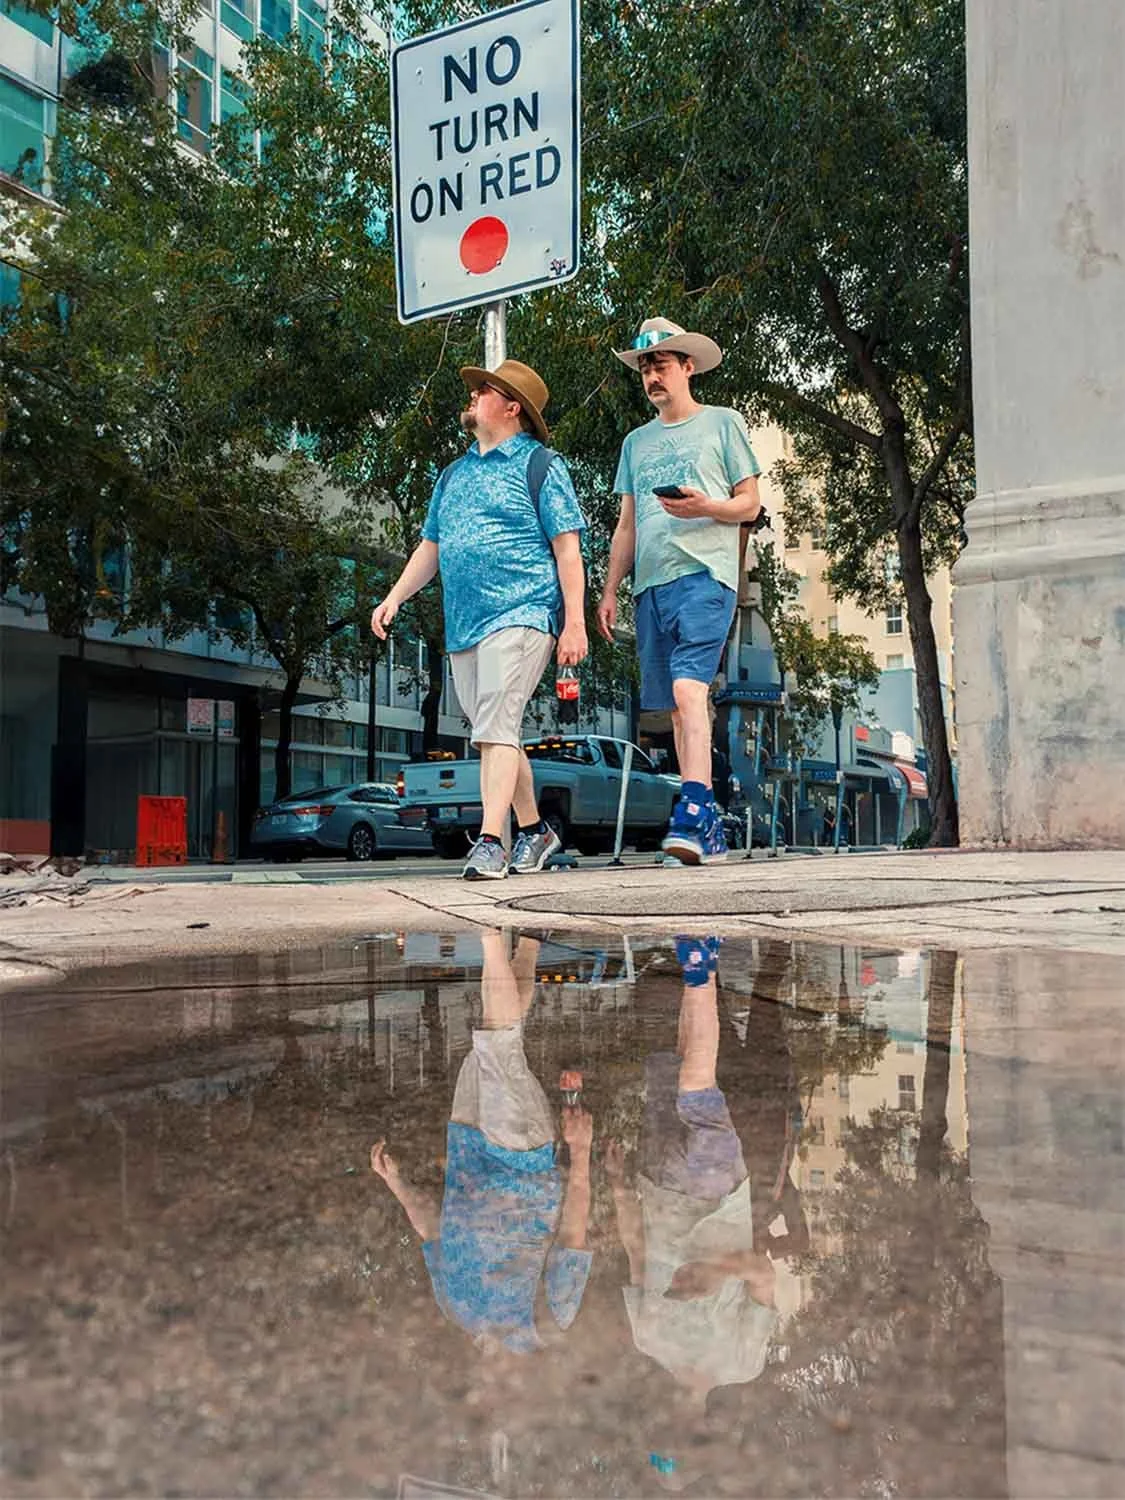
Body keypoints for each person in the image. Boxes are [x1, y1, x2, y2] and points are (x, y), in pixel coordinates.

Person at [371, 360, 588, 880]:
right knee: (499, 729)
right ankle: (535, 831)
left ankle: (491, 841)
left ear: (512, 407)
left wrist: (573, 621)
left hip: (523, 611)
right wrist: (395, 597)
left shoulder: (540, 465)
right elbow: (432, 547)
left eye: (483, 391)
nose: (471, 396)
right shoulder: (453, 475)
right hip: (465, 624)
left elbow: (568, 550)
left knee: (495, 724)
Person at [370, 928, 594, 1352]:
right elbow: (573, 1235)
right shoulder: (549, 1323)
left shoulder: (457, 1312)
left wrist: (396, 1184)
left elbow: (433, 1233)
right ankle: (489, 930)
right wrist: (580, 1152)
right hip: (521, 1160)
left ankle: (530, 940)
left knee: (501, 1038)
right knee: (496, 1040)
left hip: (467, 1144)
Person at [597, 318, 762, 865]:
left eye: (661, 364)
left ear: (687, 367)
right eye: (645, 367)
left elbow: (750, 506)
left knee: (691, 691)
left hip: (706, 577)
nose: (651, 376)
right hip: (652, 586)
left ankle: (692, 812)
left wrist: (704, 508)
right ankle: (707, 824)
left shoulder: (722, 424)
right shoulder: (634, 443)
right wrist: (610, 588)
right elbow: (628, 525)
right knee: (673, 707)